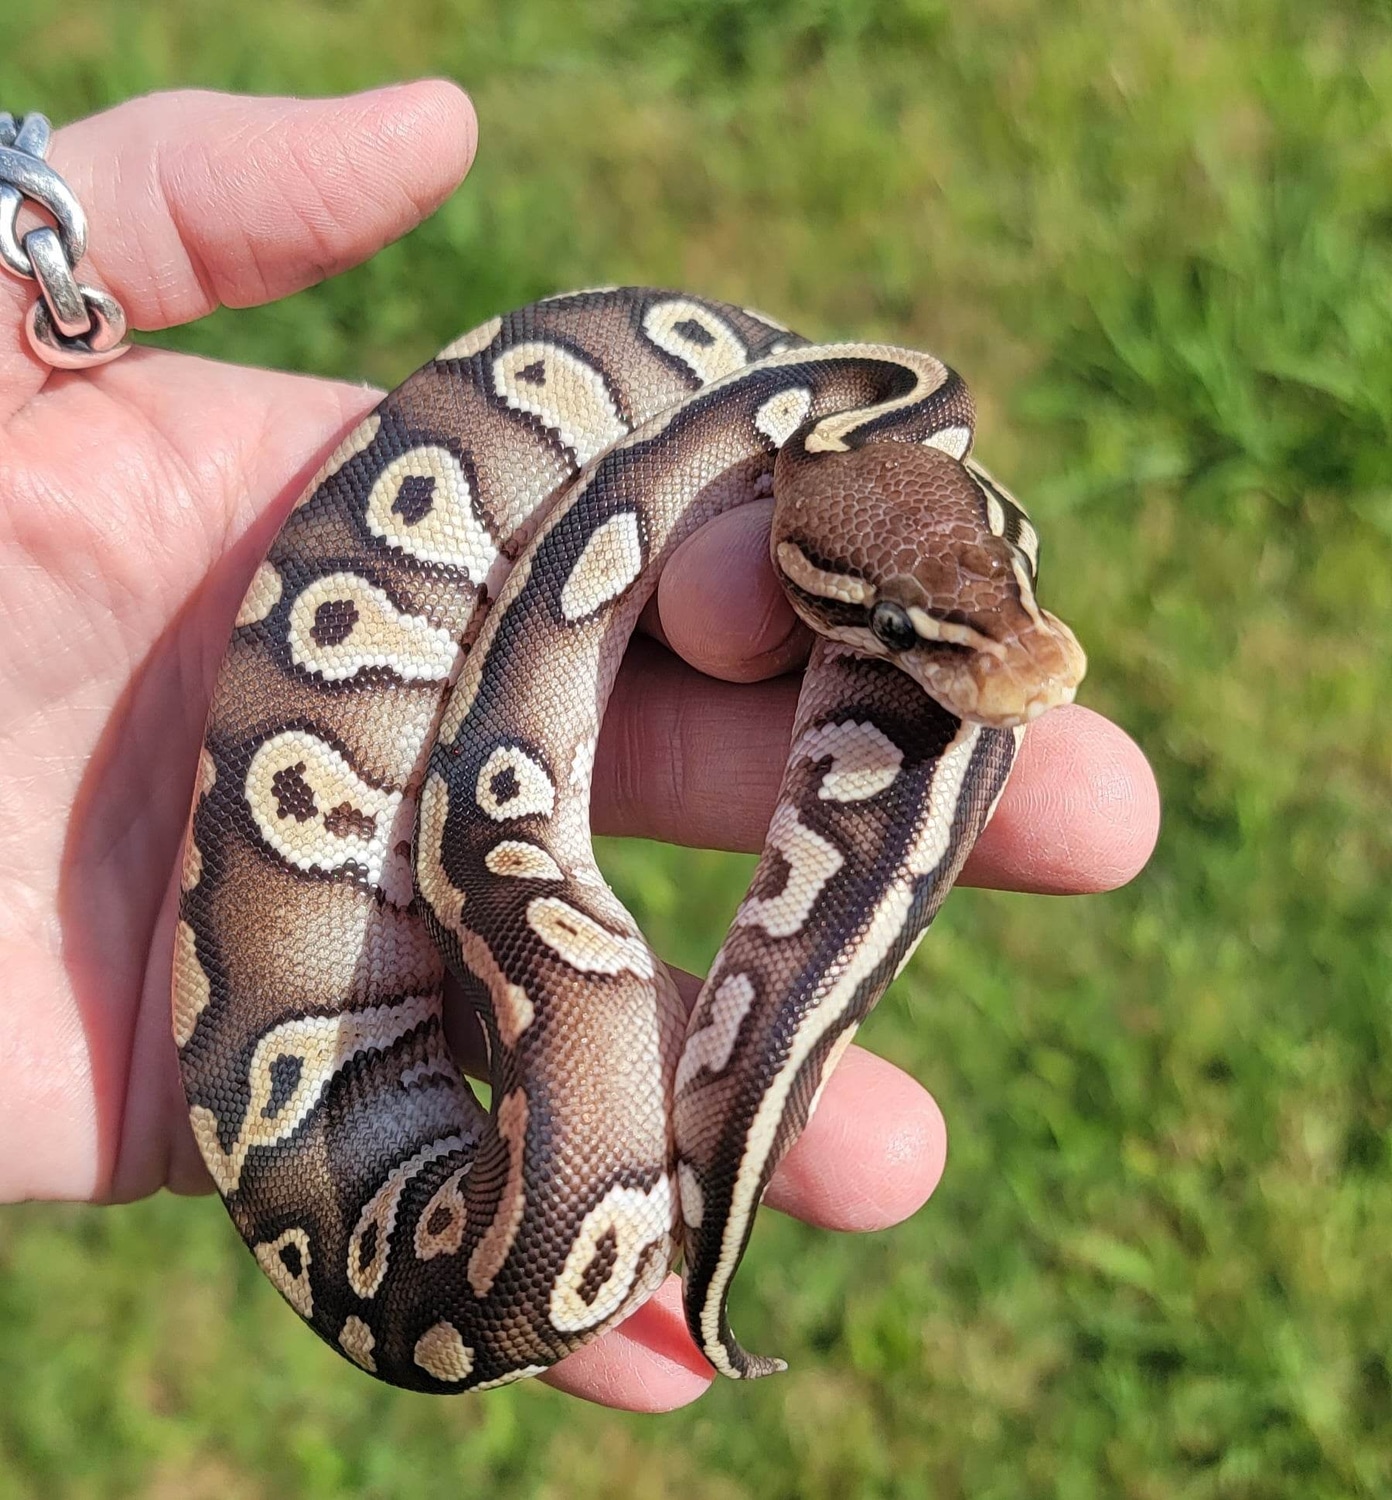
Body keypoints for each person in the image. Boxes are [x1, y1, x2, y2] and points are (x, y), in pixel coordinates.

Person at [0, 82, 1160, 1411]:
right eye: (907, 626)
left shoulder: (809, 463)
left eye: (995, 606)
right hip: (409, 1232)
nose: (1024, 660)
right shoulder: (781, 454)